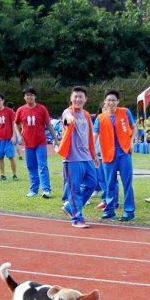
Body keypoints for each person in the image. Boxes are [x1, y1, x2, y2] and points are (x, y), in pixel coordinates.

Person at [57, 86, 99, 228]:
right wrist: (69, 119)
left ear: (85, 99)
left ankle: (69, 206)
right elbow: (67, 118)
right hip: (72, 158)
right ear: (71, 98)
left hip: (86, 157)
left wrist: (94, 156)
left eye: (81, 97)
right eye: (75, 96)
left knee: (92, 183)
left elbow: (89, 137)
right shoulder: (68, 112)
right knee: (74, 188)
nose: (78, 99)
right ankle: (77, 218)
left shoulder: (87, 115)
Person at [94, 89, 137, 222]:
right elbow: (94, 136)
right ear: (104, 102)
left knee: (127, 183)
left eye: (113, 100)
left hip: (123, 153)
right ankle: (109, 210)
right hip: (107, 155)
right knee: (109, 184)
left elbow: (134, 127)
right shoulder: (100, 118)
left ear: (117, 101)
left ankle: (129, 212)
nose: (111, 102)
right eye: (108, 100)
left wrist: (131, 142)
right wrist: (91, 151)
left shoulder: (125, 112)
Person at [15, 87, 53, 197]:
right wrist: (18, 135)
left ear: (35, 96)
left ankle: (46, 190)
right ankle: (34, 190)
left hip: (40, 142)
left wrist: (55, 139)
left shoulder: (42, 109)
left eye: (31, 95)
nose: (29, 97)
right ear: (24, 97)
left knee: (42, 166)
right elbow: (15, 123)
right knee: (31, 166)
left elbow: (48, 125)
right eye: (27, 95)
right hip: (28, 143)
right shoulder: (21, 110)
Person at [0, 93, 18, 181]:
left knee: (11, 157)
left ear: (3, 101)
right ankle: (2, 175)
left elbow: (14, 124)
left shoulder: (9, 111)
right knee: (0, 158)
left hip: (8, 139)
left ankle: (14, 175)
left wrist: (14, 136)